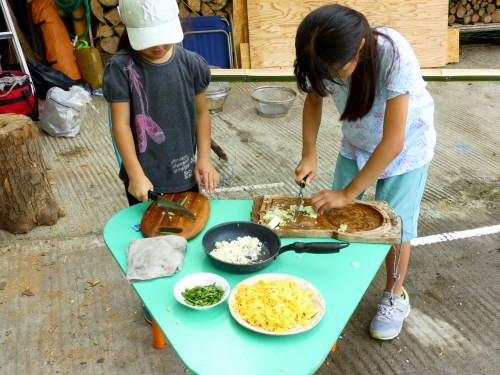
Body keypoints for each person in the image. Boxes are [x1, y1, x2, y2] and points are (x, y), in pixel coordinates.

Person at [293, 4, 436, 340]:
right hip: (357, 139)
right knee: (337, 219)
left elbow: (393, 143)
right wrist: (309, 152)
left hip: (405, 145)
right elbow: (314, 100)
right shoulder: (324, 54)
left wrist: (347, 193)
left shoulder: (393, 53)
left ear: (358, 47)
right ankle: (340, 283)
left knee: (395, 226)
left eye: (335, 71)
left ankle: (395, 295)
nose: (327, 79)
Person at [103, 0, 220, 322]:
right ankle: (155, 297)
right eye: (147, 39)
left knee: (188, 232)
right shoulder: (121, 67)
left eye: (163, 37)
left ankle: (188, 286)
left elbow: (201, 113)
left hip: (185, 170)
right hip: (145, 177)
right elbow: (122, 125)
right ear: (130, 31)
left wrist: (205, 158)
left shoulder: (191, 63)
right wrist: (135, 174)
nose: (157, 46)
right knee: (151, 239)